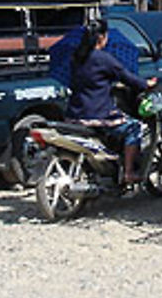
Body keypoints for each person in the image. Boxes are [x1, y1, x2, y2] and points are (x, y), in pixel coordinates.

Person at [66, 19, 156, 184]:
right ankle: (128, 172)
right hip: (98, 114)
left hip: (75, 113)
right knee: (133, 128)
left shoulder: (76, 58)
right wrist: (146, 84)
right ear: (101, 38)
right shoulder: (103, 58)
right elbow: (127, 77)